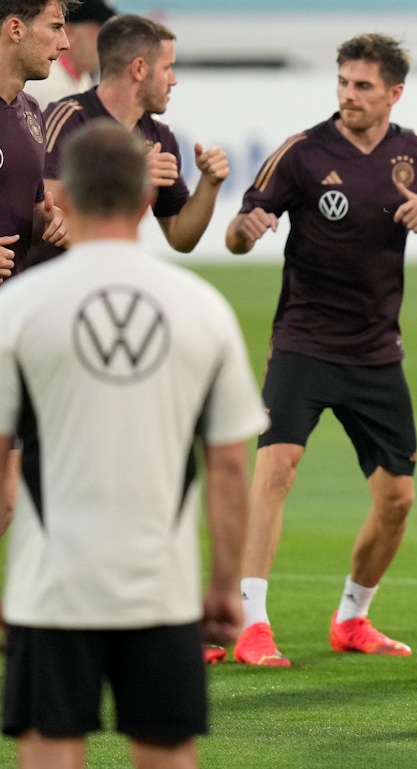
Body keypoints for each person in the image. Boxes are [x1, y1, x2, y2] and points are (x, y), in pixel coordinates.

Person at [0, 120, 267, 769]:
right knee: (167, 754)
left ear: (62, 199)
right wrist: (226, 586)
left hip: (49, 589)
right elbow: (229, 464)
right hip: (161, 591)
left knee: (49, 751)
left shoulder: (19, 306)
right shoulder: (201, 308)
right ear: (147, 199)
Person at [225, 33, 417, 667]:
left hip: (376, 352)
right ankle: (252, 625)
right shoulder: (303, 153)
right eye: (342, 82)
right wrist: (246, 230)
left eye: (362, 85)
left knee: (398, 500)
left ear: (394, 92)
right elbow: (236, 234)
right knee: (275, 471)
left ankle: (353, 617)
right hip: (303, 343)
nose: (348, 95)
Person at [40, 14, 228, 267]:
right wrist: (132, 176)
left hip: (112, 281)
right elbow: (43, 200)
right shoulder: (67, 118)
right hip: (52, 282)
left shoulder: (160, 137)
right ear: (139, 69)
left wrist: (210, 183)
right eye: (166, 67)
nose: (173, 80)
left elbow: (180, 236)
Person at [0, 0, 72, 553]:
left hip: (12, 326)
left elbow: (25, 207)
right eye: (55, 27)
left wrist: (49, 223)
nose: (65, 42)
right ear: (15, 28)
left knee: (6, 497)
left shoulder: (28, 113)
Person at [25, 0, 114, 109]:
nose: (107, 42)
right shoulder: (44, 82)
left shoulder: (83, 78)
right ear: (70, 32)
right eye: (100, 32)